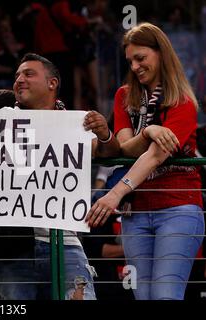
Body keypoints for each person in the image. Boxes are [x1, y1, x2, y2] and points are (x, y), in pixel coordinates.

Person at [0, 53, 120, 300]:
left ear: (52, 83)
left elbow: (107, 152)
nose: (19, 80)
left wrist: (104, 133)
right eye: (16, 76)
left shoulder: (75, 124)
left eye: (28, 74)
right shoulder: (1, 117)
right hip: (10, 249)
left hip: (64, 243)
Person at [86, 22, 205, 300]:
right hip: (135, 213)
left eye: (142, 58)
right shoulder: (124, 95)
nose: (136, 66)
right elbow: (126, 148)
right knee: (143, 297)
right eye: (131, 61)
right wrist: (150, 130)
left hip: (178, 208)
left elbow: (154, 155)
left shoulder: (184, 102)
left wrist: (113, 194)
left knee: (165, 295)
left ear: (161, 53)